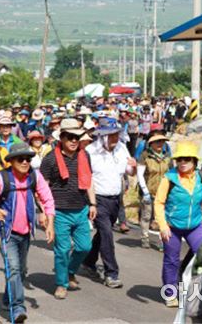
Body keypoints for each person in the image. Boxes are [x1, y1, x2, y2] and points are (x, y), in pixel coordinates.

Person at [0, 143, 55, 323]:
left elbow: (48, 199)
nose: (25, 162)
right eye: (20, 159)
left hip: (25, 232)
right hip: (6, 233)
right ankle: (18, 308)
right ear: (11, 161)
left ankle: (8, 299)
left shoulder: (34, 175)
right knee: (14, 268)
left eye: (28, 159)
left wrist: (50, 224)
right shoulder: (0, 179)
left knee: (21, 270)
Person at [40, 119, 96, 300]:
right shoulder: (49, 159)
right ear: (61, 138)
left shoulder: (84, 155)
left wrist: (93, 203)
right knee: (62, 250)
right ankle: (61, 283)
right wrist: (44, 212)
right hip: (59, 211)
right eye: (70, 137)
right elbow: (42, 188)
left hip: (80, 208)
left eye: (77, 138)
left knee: (84, 247)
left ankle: (70, 270)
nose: (74, 141)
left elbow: (89, 181)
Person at [153, 141, 202, 307]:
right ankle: (170, 294)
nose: (182, 163)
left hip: (195, 225)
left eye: (186, 159)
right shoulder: (169, 179)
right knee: (172, 260)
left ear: (194, 161)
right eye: (179, 159)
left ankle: (197, 291)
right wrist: (163, 226)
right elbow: (159, 203)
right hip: (172, 227)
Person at [82, 117, 136, 288]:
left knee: (103, 235)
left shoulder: (121, 149)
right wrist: (90, 203)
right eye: (111, 135)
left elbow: (129, 171)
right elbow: (85, 178)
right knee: (107, 233)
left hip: (115, 199)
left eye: (116, 134)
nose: (115, 138)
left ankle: (89, 261)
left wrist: (134, 167)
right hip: (97, 198)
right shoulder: (90, 152)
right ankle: (111, 273)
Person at [136, 134, 172, 249]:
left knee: (162, 218)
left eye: (162, 141)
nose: (160, 144)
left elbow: (172, 174)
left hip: (163, 192)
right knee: (147, 216)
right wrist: (145, 191)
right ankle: (145, 238)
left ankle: (163, 241)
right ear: (151, 144)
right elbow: (140, 175)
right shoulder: (145, 156)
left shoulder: (167, 158)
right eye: (157, 142)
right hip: (148, 191)